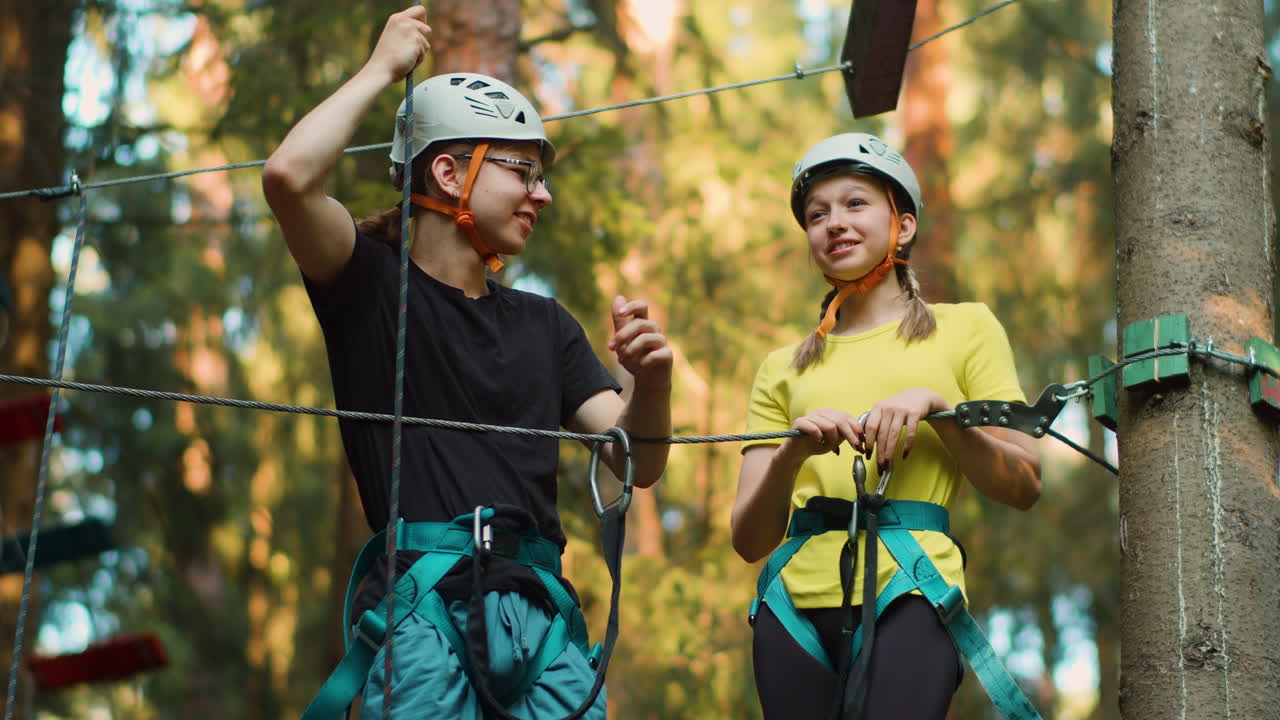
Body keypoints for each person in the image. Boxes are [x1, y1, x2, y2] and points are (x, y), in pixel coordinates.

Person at [261, 6, 672, 719]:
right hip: (423, 609)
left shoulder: (546, 325)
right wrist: (381, 70)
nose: (541, 194)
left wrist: (653, 380)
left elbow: (634, 456)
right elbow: (290, 177)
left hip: (544, 621)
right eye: (522, 171)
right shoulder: (368, 287)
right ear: (448, 172)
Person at [731, 132, 1042, 719]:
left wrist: (939, 411)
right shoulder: (781, 369)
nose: (833, 224)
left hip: (913, 588)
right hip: (792, 600)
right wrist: (791, 454)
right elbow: (748, 539)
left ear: (902, 226)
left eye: (855, 204)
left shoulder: (966, 330)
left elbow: (1024, 482)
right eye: (816, 214)